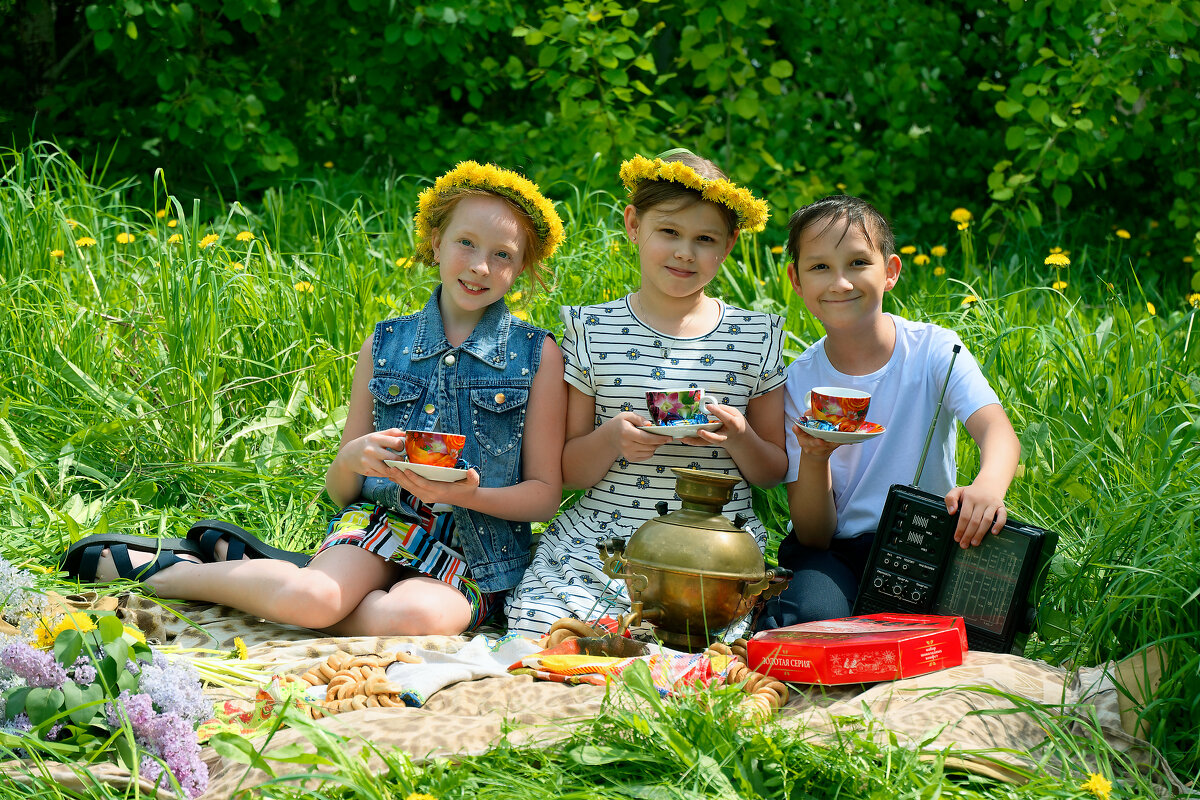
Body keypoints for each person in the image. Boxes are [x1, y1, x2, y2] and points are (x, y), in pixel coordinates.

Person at [61, 162, 568, 636]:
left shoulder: (536, 355)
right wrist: (351, 457)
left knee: (408, 617)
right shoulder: (386, 345)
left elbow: (545, 493)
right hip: (382, 526)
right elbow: (343, 492)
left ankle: (275, 577)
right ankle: (174, 573)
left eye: (502, 254)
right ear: (435, 243)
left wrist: (469, 496)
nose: (480, 266)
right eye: (465, 242)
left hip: (477, 552)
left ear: (521, 267)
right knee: (315, 600)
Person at [505, 149, 788, 638]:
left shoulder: (754, 337)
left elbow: (772, 471)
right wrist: (613, 438)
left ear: (729, 245)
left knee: (701, 643)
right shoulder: (592, 329)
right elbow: (567, 472)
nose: (685, 253)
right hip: (606, 545)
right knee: (544, 631)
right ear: (634, 224)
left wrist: (739, 437)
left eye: (705, 239)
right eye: (670, 233)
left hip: (715, 550)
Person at [757, 195, 1020, 630]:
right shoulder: (799, 380)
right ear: (796, 280)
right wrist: (816, 456)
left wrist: (988, 487)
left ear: (891, 271)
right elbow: (814, 534)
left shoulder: (936, 351)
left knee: (977, 630)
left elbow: (998, 433)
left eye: (858, 262)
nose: (840, 283)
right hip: (835, 553)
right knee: (810, 622)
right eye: (820, 267)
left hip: (926, 539)